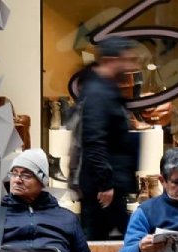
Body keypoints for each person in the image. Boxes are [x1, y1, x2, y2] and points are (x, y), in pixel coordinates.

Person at [69, 36, 140, 240]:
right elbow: (94, 140)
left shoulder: (106, 89)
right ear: (111, 60)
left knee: (113, 237)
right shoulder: (98, 92)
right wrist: (105, 183)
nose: (131, 66)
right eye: (127, 60)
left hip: (110, 184)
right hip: (102, 188)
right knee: (97, 240)